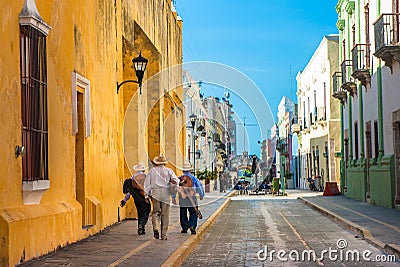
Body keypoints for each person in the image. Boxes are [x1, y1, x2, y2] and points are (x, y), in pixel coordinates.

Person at [144, 154, 179, 240]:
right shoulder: (169, 171)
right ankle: (164, 235)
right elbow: (176, 180)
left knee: (155, 212)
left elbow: (147, 184)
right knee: (165, 214)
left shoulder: (152, 171)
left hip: (155, 192)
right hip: (165, 192)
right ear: (164, 163)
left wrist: (146, 195)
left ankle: (156, 228)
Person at [120, 162, 150, 235]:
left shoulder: (132, 179)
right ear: (143, 170)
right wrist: (147, 197)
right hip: (143, 197)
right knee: (146, 211)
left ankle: (141, 228)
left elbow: (129, 192)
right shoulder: (145, 177)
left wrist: (124, 200)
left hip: (136, 198)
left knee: (139, 212)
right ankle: (142, 224)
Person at [175, 161, 204, 235]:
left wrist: (173, 197)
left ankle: (184, 228)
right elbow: (199, 186)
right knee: (193, 212)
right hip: (192, 197)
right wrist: (201, 195)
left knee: (183, 212)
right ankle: (192, 226)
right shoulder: (194, 178)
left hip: (183, 197)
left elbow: (175, 187)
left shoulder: (180, 178)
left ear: (183, 170)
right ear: (190, 170)